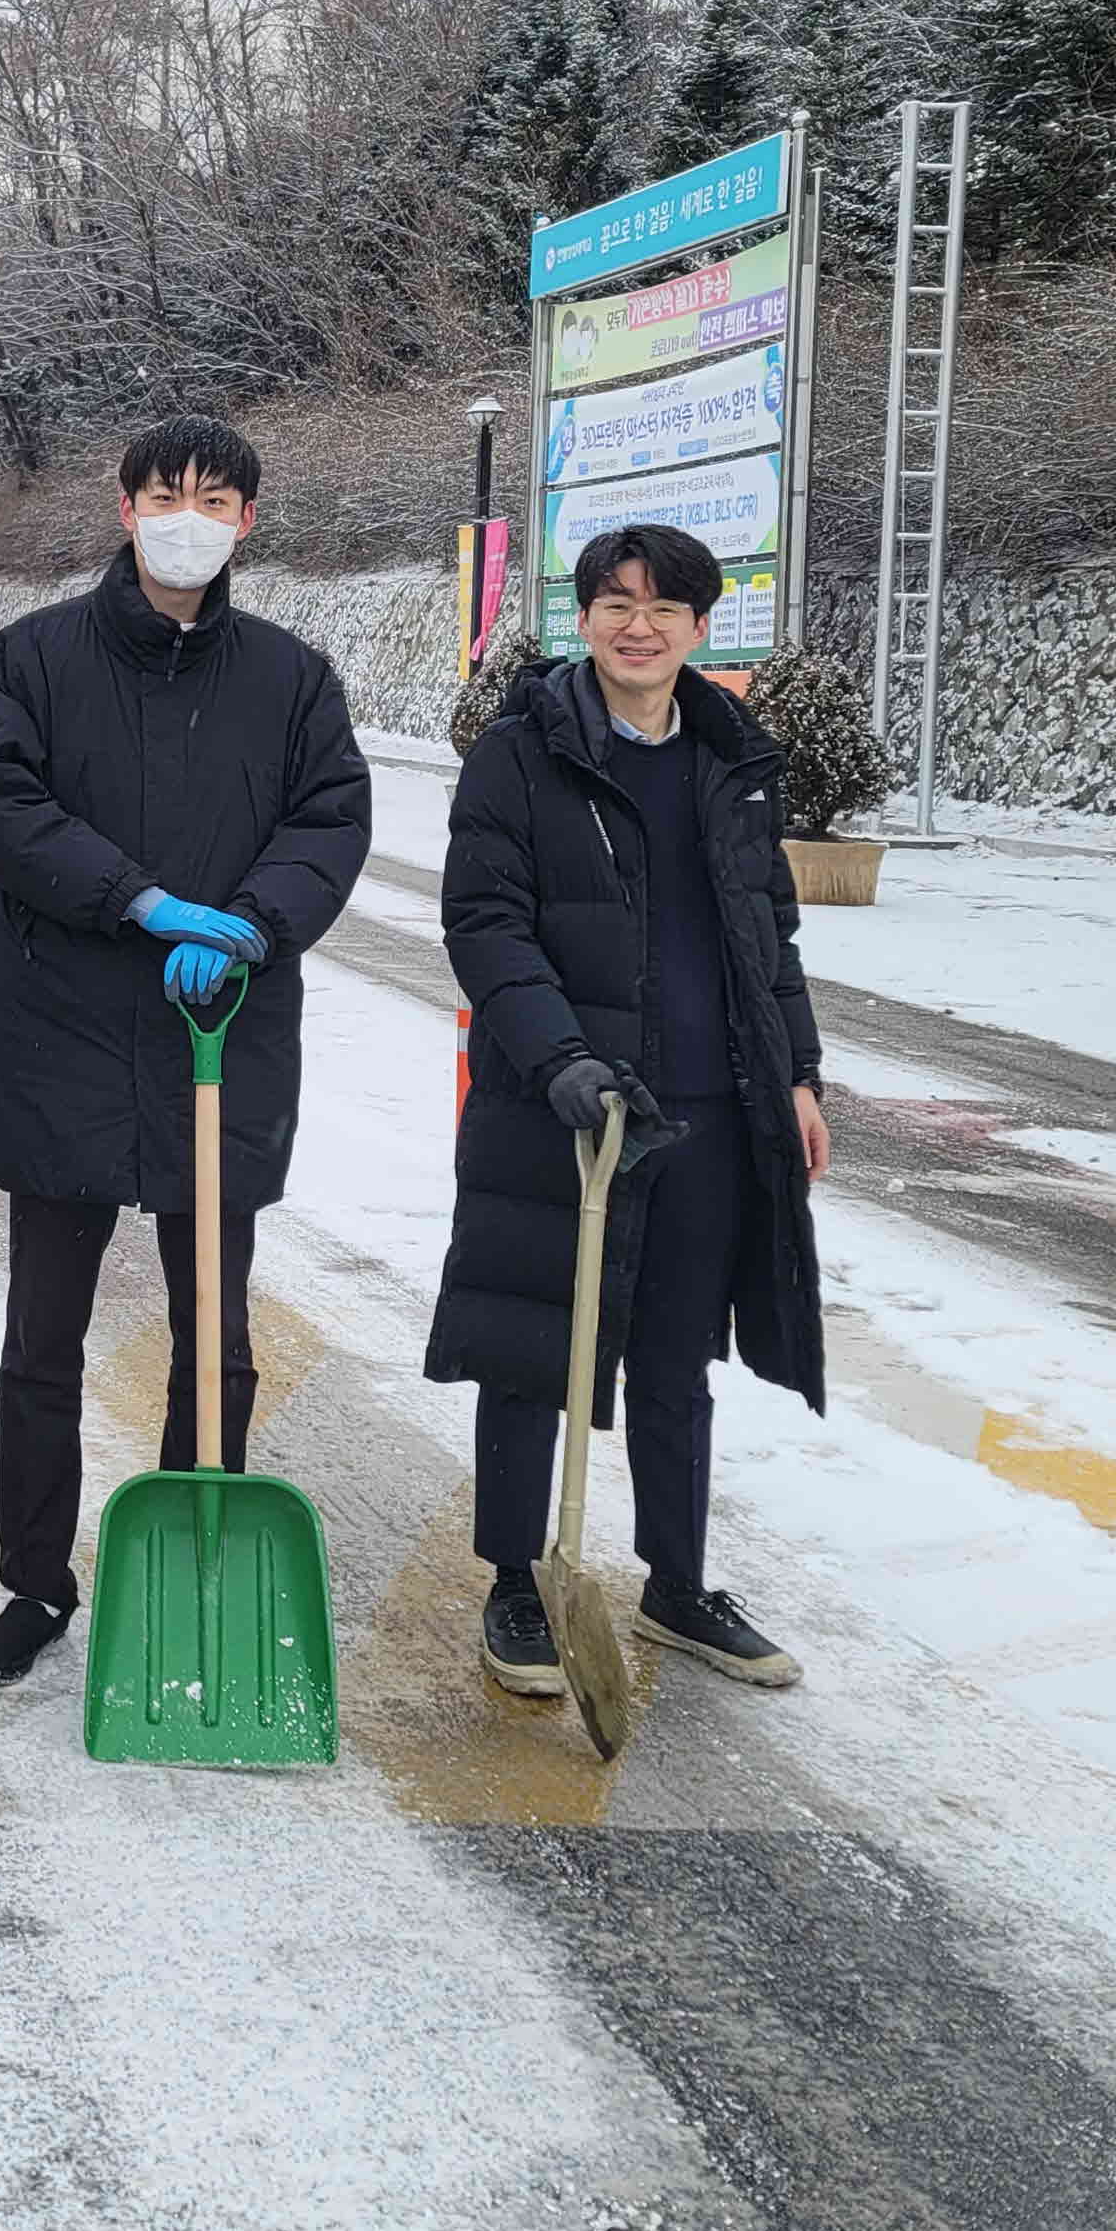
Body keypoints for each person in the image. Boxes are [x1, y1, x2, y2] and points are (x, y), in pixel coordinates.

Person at [0, 414, 373, 1686]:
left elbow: (330, 818)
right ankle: (34, 1582)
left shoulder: (292, 679)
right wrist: (136, 899)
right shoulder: (29, 659)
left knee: (214, 1327)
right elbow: (3, 802)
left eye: (217, 496)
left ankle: (196, 1554)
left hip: (218, 1032)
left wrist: (249, 924)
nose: (190, 514)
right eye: (165, 491)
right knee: (43, 1338)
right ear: (123, 505)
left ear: (247, 520)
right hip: (62, 1026)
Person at [425, 522, 831, 1696]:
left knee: (673, 1352)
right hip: (559, 1103)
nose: (636, 625)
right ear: (582, 619)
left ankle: (677, 1582)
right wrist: (559, 1059)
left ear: (701, 628)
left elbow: (770, 938)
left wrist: (797, 1075)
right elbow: (484, 925)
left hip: (709, 1105)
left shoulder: (729, 759)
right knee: (532, 1343)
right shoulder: (520, 754)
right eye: (613, 602)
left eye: (662, 606)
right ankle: (518, 1581)